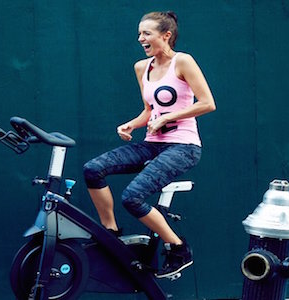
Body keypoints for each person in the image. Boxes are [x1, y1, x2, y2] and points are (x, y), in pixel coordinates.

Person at [83, 11, 216, 279]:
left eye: (147, 33)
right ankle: (111, 234)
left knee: (132, 197)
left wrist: (167, 117)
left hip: (183, 147)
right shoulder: (142, 68)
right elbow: (149, 110)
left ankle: (178, 248)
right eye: (140, 33)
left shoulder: (183, 61)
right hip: (153, 144)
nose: (140, 38)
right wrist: (132, 124)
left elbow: (207, 103)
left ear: (166, 35)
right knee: (92, 169)